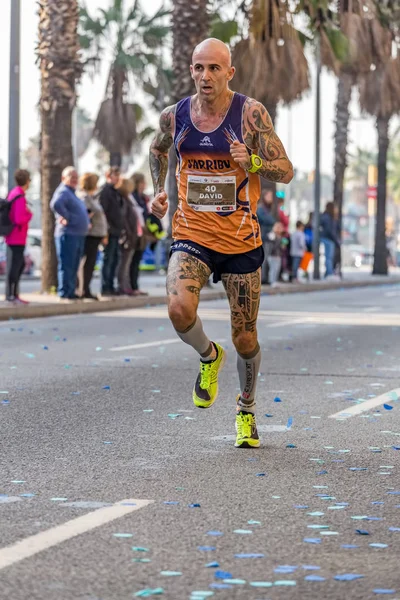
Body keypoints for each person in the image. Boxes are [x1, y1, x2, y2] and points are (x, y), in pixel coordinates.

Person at [150, 38, 293, 448]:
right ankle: (208, 356)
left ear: (229, 72)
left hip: (240, 240)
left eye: (214, 68)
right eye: (199, 68)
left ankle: (246, 410)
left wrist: (252, 162)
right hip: (192, 233)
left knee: (245, 337)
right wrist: (157, 191)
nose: (205, 76)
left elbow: (285, 169)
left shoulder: (250, 114)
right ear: (190, 70)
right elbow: (157, 149)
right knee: (179, 309)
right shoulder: (175, 116)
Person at [51, 167, 90, 300]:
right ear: (63, 178)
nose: (74, 179)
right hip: (68, 234)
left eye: (75, 177)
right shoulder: (63, 191)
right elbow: (55, 204)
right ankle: (65, 292)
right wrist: (68, 217)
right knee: (67, 264)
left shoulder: (72, 192)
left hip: (77, 234)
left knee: (74, 265)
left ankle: (71, 291)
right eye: (71, 177)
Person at [77, 173, 108, 299]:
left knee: (90, 263)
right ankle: (84, 289)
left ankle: (85, 288)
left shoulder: (91, 197)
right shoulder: (84, 197)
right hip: (90, 235)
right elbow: (85, 214)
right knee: (87, 263)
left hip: (96, 235)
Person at [4, 169, 33, 304]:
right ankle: (11, 295)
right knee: (16, 265)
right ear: (27, 181)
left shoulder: (13, 193)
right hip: (17, 236)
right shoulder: (19, 196)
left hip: (14, 236)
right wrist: (29, 214)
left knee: (18, 264)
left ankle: (12, 294)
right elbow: (19, 218)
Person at [99, 167, 124, 296]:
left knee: (114, 259)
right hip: (109, 231)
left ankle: (110, 286)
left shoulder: (115, 191)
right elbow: (104, 213)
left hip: (116, 231)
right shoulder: (105, 191)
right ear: (108, 175)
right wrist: (105, 232)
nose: (117, 178)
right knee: (108, 259)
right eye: (115, 175)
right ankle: (105, 287)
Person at [116, 177, 138, 295]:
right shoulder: (123, 200)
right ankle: (122, 286)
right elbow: (124, 219)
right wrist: (128, 233)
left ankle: (127, 285)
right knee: (123, 264)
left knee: (127, 263)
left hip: (132, 234)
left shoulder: (128, 199)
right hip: (127, 236)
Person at [129, 173, 150, 296]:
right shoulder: (132, 196)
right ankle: (131, 286)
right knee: (132, 261)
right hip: (134, 232)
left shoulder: (142, 197)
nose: (144, 185)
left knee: (137, 260)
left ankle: (135, 286)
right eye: (142, 183)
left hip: (141, 232)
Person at [256, 189, 276, 284]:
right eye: (269, 196)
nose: (271, 198)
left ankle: (265, 277)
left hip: (267, 236)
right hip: (263, 236)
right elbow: (269, 220)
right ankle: (263, 278)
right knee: (264, 258)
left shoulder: (268, 208)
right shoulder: (261, 208)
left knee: (267, 258)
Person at [320, 201, 340, 278]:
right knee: (329, 257)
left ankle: (328, 273)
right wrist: (336, 240)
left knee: (329, 257)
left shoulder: (329, 217)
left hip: (328, 238)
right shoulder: (328, 217)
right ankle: (329, 274)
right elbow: (330, 231)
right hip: (328, 239)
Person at [267, 222, 284, 287]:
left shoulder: (280, 236)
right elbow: (272, 245)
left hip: (278, 255)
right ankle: (272, 281)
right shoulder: (272, 235)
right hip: (272, 255)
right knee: (273, 269)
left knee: (277, 269)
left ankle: (274, 281)